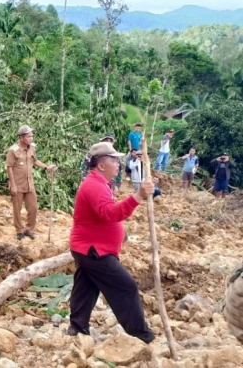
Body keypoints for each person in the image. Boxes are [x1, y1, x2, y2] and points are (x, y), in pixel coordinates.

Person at [68, 142, 155, 344]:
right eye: (114, 160)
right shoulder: (93, 185)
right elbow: (108, 213)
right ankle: (140, 335)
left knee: (86, 286)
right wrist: (139, 196)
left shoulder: (100, 183)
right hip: (93, 250)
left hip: (88, 247)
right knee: (126, 287)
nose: (118, 164)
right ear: (101, 165)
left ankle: (77, 327)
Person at [6, 125, 57, 241]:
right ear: (21, 137)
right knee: (17, 209)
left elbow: (35, 161)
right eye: (29, 136)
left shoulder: (32, 148)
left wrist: (46, 167)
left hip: (29, 184)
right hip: (17, 185)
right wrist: (12, 185)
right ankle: (19, 230)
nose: (31, 138)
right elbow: (9, 168)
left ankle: (30, 229)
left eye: (32, 136)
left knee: (33, 208)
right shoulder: (13, 150)